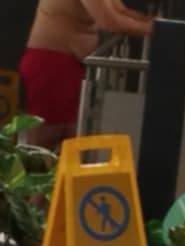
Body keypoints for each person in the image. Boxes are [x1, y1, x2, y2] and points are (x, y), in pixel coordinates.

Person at [21, 0, 154, 148]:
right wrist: (153, 28)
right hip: (52, 63)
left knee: (71, 136)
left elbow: (120, 11)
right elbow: (109, 21)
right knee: (47, 138)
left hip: (69, 63)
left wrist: (154, 22)